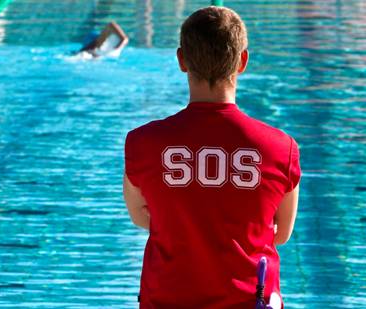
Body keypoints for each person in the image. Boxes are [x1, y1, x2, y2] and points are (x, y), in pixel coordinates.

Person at [123, 6, 301, 309]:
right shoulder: (280, 148)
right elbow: (281, 233)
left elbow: (141, 216)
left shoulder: (143, 142)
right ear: (242, 61)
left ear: (181, 60)